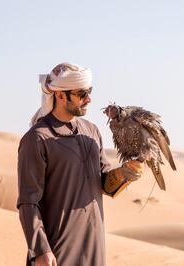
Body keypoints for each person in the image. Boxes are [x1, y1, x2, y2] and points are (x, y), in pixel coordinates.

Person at [16, 62, 143, 266]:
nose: (89, 99)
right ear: (59, 95)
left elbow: (104, 184)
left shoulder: (91, 132)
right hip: (56, 251)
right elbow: (28, 202)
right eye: (82, 94)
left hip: (93, 246)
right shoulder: (37, 138)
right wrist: (40, 250)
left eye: (89, 92)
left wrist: (125, 172)